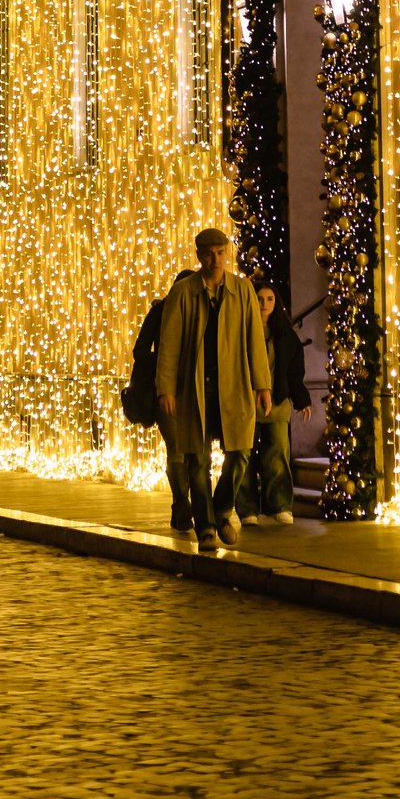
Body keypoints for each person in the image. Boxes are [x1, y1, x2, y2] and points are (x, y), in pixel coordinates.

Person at [153, 225, 269, 555]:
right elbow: (169, 344)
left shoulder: (242, 289)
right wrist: (167, 388)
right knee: (197, 459)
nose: (215, 260)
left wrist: (262, 384)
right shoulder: (184, 292)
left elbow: (254, 340)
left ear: (227, 253)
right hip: (194, 388)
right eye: (209, 254)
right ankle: (205, 527)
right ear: (199, 256)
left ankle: (221, 508)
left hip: (234, 386)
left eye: (220, 253)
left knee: (241, 451)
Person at [248, 279, 311, 524]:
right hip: (249, 402)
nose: (264, 304)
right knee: (246, 455)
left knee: (277, 453)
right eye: (260, 299)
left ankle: (280, 504)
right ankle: (247, 508)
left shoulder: (285, 335)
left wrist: (301, 398)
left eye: (270, 299)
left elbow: (294, 371)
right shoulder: (244, 329)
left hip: (278, 401)